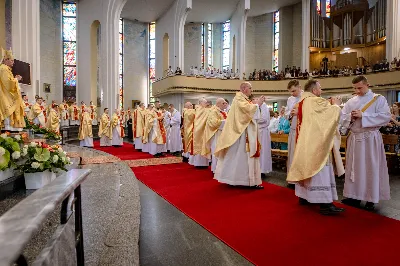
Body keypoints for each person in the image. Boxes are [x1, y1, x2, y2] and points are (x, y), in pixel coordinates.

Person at [287, 79, 344, 215]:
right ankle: (325, 203)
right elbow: (330, 116)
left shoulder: (302, 102)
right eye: (320, 88)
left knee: (307, 167)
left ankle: (304, 197)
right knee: (320, 170)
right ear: (314, 90)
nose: (321, 90)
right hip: (317, 143)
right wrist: (336, 105)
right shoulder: (315, 101)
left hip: (305, 141)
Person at [340, 75, 391, 211]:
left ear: (367, 84)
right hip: (355, 138)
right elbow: (342, 118)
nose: (357, 91)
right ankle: (353, 196)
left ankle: (370, 198)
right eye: (355, 88)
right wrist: (350, 118)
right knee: (354, 168)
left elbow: (385, 117)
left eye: (360, 88)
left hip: (370, 138)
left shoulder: (379, 99)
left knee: (370, 168)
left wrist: (364, 116)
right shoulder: (351, 101)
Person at [214, 82, 264, 189]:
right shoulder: (239, 98)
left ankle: (245, 180)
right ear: (244, 89)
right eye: (250, 88)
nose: (252, 90)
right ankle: (239, 179)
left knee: (241, 156)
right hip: (242, 133)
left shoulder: (244, 99)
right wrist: (257, 104)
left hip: (245, 131)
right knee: (240, 156)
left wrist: (255, 105)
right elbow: (246, 111)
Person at [0, 47, 25, 131]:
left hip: (9, 96)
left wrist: (15, 79)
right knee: (9, 125)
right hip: (6, 97)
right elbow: (8, 84)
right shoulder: (3, 68)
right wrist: (16, 79)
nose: (13, 63)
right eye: (12, 60)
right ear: (6, 60)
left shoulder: (7, 69)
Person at [285, 80, 303, 188]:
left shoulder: (306, 97)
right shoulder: (290, 99)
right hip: (293, 128)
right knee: (292, 154)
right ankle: (292, 179)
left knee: (299, 155)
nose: (292, 94)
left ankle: (300, 180)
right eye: (291, 92)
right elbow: (287, 112)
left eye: (294, 91)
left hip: (302, 130)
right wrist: (290, 114)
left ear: (299, 87)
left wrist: (299, 112)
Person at [202, 98, 226, 173]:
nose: (225, 104)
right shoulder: (213, 111)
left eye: (225, 103)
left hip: (222, 134)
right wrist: (226, 122)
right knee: (216, 152)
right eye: (223, 103)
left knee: (222, 152)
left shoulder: (223, 112)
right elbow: (213, 123)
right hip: (216, 134)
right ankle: (215, 169)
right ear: (218, 104)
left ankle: (222, 169)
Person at [190, 98, 210, 168]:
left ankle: (203, 163)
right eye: (205, 102)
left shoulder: (200, 109)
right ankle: (199, 164)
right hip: (199, 130)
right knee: (200, 146)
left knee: (203, 145)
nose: (206, 104)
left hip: (201, 130)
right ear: (201, 103)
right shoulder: (201, 109)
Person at [258, 99, 272, 175]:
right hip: (260, 131)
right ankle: (260, 168)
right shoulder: (261, 106)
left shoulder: (263, 106)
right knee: (261, 151)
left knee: (263, 151)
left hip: (262, 132)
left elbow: (263, 119)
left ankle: (262, 169)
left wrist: (253, 119)